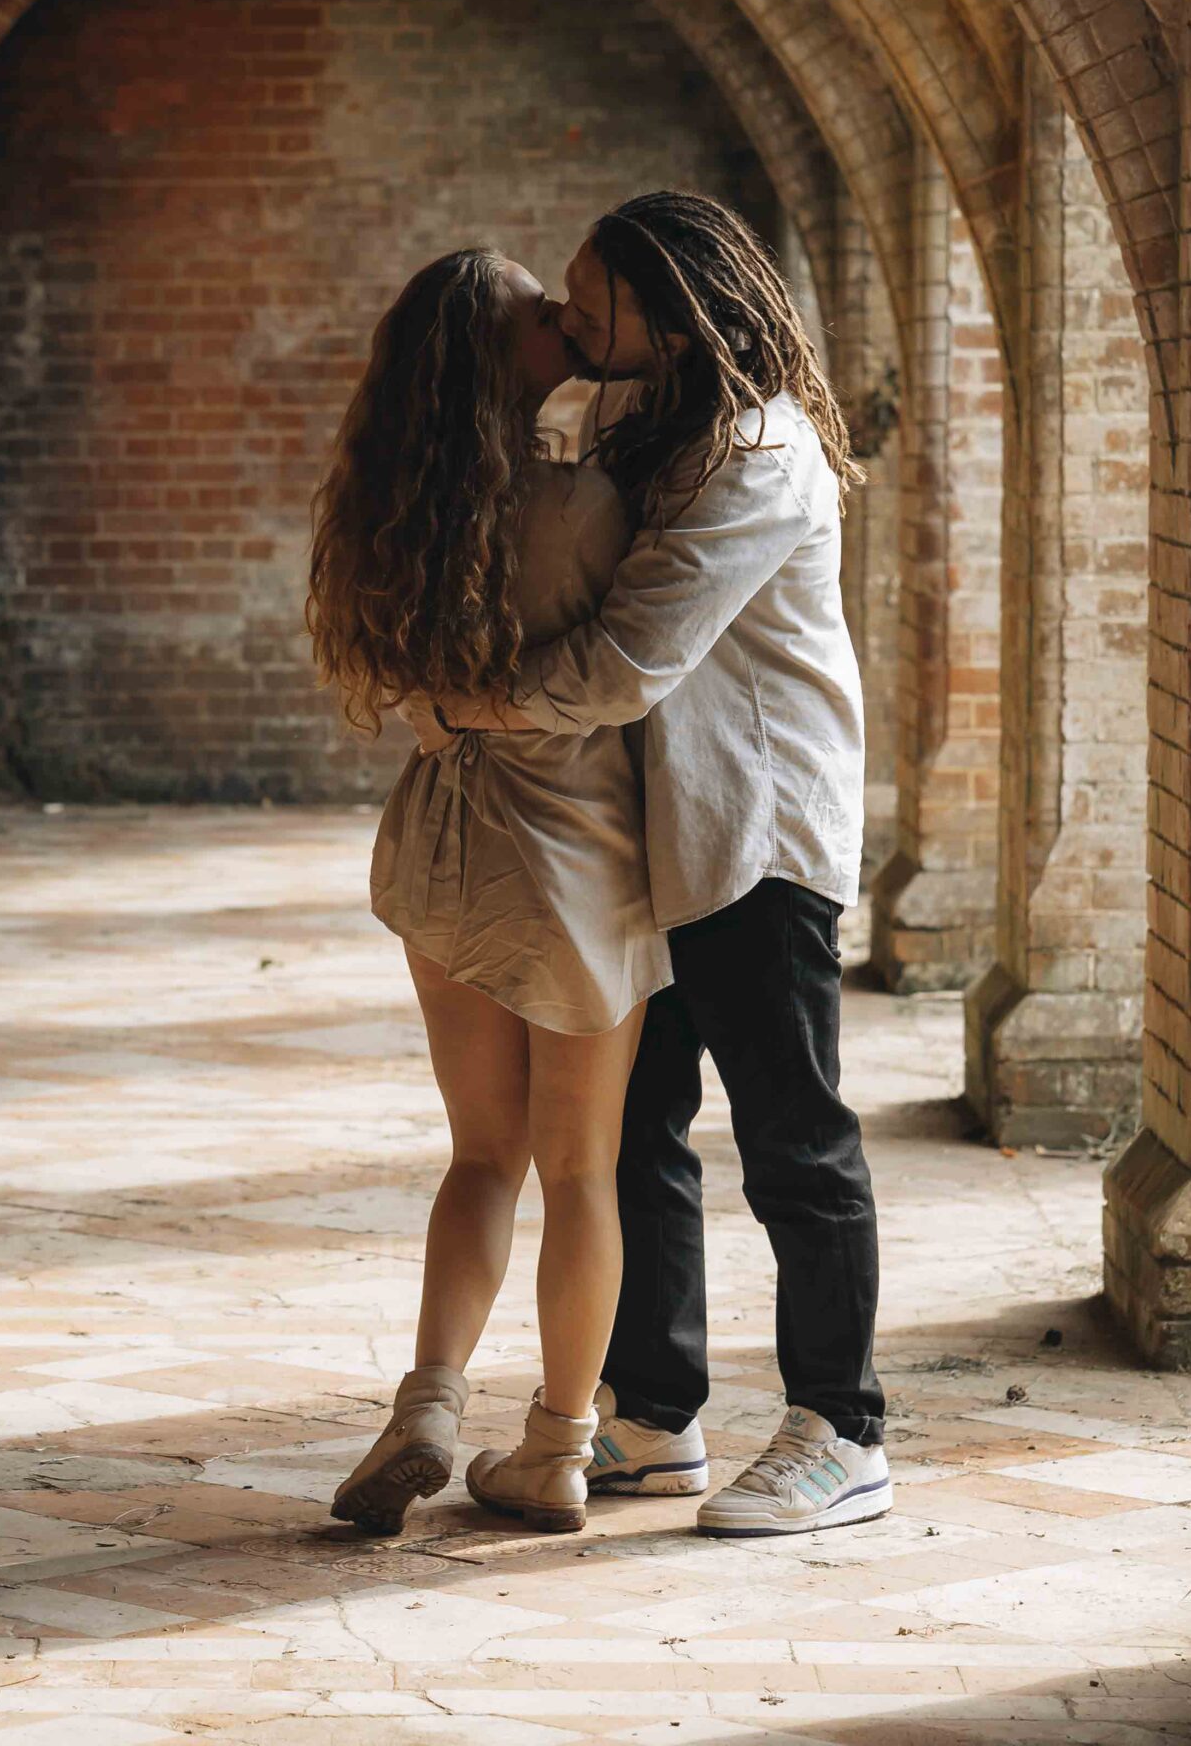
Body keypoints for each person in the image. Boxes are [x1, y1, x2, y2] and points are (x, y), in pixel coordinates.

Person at [429, 192, 888, 1537]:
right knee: (635, 1135)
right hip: (643, 838)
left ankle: (842, 1427)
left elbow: (627, 662)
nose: (568, 318)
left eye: (590, 298)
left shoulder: (760, 451)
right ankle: (654, 1414)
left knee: (793, 1140)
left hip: (755, 836)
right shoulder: (642, 416)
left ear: (669, 309)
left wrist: (465, 707)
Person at [308, 249, 670, 1536]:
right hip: (575, 855)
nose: (558, 322)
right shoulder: (582, 507)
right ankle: (560, 1449)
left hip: (444, 843)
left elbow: (409, 695)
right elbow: (639, 668)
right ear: (495, 355)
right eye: (534, 315)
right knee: (581, 1168)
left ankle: (424, 1405)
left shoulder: (388, 514)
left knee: (478, 1155)